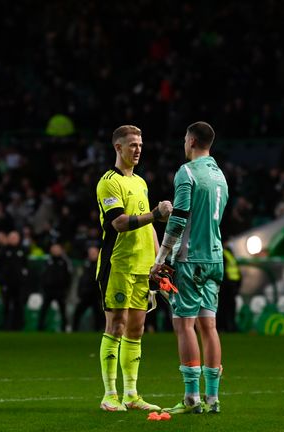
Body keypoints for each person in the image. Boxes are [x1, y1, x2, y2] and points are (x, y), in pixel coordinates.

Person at [150, 121, 228, 414]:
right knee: (209, 326)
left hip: (190, 259)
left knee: (184, 324)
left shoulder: (187, 172)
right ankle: (213, 398)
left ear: (192, 141)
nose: (184, 143)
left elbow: (179, 218)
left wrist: (160, 260)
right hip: (215, 258)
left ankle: (192, 398)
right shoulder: (220, 175)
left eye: (185, 138)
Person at [95, 125, 172, 412]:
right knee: (115, 326)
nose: (138, 149)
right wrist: (154, 213)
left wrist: (158, 259)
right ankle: (109, 395)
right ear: (118, 148)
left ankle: (131, 394)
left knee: (137, 329)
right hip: (117, 265)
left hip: (142, 267)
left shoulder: (140, 182)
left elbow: (149, 226)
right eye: (132, 145)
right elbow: (118, 222)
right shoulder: (108, 182)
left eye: (140, 144)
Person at [0, 230, 29, 331]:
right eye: (11, 237)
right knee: (6, 305)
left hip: (19, 284)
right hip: (7, 283)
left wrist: (24, 279)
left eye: (15, 237)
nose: (13, 239)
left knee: (18, 305)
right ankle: (6, 326)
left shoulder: (22, 251)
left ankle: (18, 326)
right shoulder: (4, 251)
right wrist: (2, 281)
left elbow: (26, 267)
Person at [38, 243, 72, 331]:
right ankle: (40, 327)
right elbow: (43, 275)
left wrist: (65, 288)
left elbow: (68, 276)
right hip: (49, 290)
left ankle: (64, 328)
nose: (55, 251)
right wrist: (44, 286)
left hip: (60, 290)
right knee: (44, 309)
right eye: (54, 249)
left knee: (63, 310)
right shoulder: (47, 261)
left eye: (57, 249)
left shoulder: (64, 262)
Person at [72, 246, 103, 332]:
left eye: (94, 253)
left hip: (96, 295)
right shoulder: (85, 264)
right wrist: (80, 292)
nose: (92, 255)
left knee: (99, 314)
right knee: (78, 313)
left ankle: (99, 330)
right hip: (86, 294)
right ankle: (74, 330)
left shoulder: (101, 264)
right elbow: (81, 280)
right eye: (91, 253)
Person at [217, 243, 241, 333]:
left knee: (229, 308)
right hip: (226, 286)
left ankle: (229, 327)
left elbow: (235, 270)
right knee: (224, 308)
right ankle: (224, 327)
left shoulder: (228, 253)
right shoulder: (224, 253)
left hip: (231, 286)